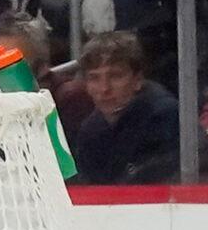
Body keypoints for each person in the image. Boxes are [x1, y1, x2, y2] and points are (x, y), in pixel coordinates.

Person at [68, 32, 178, 184]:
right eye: (94, 78)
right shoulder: (90, 131)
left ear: (137, 79)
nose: (104, 88)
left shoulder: (166, 117)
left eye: (115, 76)